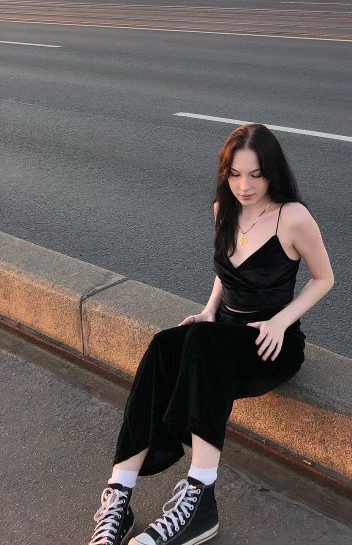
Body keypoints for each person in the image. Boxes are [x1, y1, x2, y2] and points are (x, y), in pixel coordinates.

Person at [87, 123, 335, 545]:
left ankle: (200, 497)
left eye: (255, 175)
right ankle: (119, 494)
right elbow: (226, 271)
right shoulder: (224, 208)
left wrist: (280, 322)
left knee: (203, 344)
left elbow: (324, 278)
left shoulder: (292, 217)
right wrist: (208, 311)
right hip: (222, 336)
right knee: (165, 344)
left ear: (272, 172)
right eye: (235, 174)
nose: (244, 186)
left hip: (270, 344)